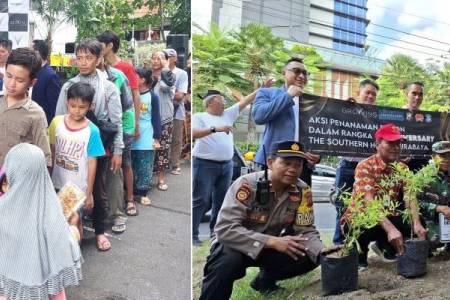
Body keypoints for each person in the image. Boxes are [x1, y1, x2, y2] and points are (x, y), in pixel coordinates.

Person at [200, 141, 322, 299]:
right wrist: (271, 241)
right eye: (286, 163)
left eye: (298, 165)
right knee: (227, 262)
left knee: (309, 253)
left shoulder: (303, 190)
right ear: (270, 163)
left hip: (269, 248)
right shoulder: (247, 185)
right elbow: (225, 229)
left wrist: (320, 250)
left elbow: (306, 229)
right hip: (235, 245)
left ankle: (264, 282)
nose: (292, 169)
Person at [55, 38, 123, 252]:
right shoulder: (68, 86)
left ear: (98, 59)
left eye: (89, 57)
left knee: (97, 189)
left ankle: (100, 230)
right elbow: (58, 116)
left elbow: (117, 120)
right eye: (80, 57)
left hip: (97, 144)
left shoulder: (109, 87)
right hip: (70, 145)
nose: (83, 62)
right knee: (66, 184)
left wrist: (118, 151)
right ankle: (72, 225)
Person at [0, 143, 82, 300]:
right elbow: (66, 247)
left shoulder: (2, 209)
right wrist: (73, 226)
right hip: (46, 292)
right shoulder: (51, 214)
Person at [341, 123, 427, 270]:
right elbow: (369, 202)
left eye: (398, 143)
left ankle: (384, 246)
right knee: (357, 223)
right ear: (377, 144)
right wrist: (391, 230)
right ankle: (360, 256)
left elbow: (410, 196)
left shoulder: (402, 168)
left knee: (418, 223)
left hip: (388, 215)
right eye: (390, 142)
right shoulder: (365, 166)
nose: (395, 147)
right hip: (364, 217)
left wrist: (417, 223)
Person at [192, 89, 259, 246]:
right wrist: (215, 128)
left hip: (226, 165)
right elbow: (194, 133)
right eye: (221, 100)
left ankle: (215, 234)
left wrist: (261, 88)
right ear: (210, 102)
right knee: (201, 199)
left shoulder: (228, 115)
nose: (224, 103)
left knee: (221, 201)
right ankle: (193, 235)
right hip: (204, 164)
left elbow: (246, 100)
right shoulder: (199, 117)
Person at [252, 57, 320, 186]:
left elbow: (320, 132)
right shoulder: (267, 93)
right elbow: (259, 116)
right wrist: (288, 95)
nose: (301, 76)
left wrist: (318, 155)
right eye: (296, 71)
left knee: (300, 205)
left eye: (305, 73)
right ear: (284, 72)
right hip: (274, 162)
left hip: (302, 165)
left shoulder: (312, 103)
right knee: (268, 204)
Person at [49, 82, 105, 237]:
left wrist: (89, 193)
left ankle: (73, 254)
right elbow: (51, 153)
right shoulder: (56, 123)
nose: (77, 111)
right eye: (73, 106)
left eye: (82, 107)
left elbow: (92, 162)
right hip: (56, 183)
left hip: (76, 188)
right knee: (58, 221)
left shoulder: (92, 131)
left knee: (73, 221)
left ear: (90, 106)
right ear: (67, 102)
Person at [97, 31, 140, 217]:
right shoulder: (95, 68)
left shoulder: (124, 68)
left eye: (101, 44)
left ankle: (130, 199)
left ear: (110, 45)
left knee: (125, 162)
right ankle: (108, 203)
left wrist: (136, 124)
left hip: (125, 121)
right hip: (104, 126)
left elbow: (134, 95)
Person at [332, 79, 379, 245]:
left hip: (368, 170)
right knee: (342, 206)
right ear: (358, 93)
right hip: (347, 167)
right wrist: (342, 108)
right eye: (367, 92)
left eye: (374, 94)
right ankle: (339, 244)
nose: (370, 96)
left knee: (365, 207)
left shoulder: (377, 117)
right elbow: (332, 123)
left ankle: (358, 247)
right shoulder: (347, 110)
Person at [0, 47, 51, 167]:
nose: (12, 84)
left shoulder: (36, 113)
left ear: (32, 82)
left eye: (20, 80)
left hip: (18, 180)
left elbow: (45, 157)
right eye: (9, 76)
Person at [132, 67, 162, 206]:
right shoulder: (130, 94)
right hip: (131, 134)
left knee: (145, 165)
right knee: (131, 164)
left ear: (142, 80)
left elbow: (156, 118)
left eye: (135, 76)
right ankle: (131, 190)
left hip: (146, 135)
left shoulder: (153, 97)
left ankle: (142, 192)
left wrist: (156, 138)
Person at [418, 141, 450, 252]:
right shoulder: (423, 176)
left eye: (449, 156)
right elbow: (413, 203)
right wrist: (437, 208)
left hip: (448, 219)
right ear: (433, 156)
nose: (446, 159)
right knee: (433, 239)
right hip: (430, 219)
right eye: (442, 156)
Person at [150, 50, 175, 191]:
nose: (155, 61)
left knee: (163, 149)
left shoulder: (169, 75)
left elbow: (166, 88)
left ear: (165, 61)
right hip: (148, 117)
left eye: (159, 58)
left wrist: (164, 70)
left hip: (164, 118)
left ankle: (161, 178)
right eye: (153, 58)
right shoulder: (146, 75)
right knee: (147, 147)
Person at [165, 48, 188, 176]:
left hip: (177, 110)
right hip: (161, 111)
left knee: (176, 139)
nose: (167, 58)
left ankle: (175, 164)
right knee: (161, 138)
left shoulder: (182, 73)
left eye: (169, 56)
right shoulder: (159, 72)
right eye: (165, 56)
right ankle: (161, 163)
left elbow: (180, 95)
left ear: (175, 58)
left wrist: (166, 93)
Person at [31, 39, 62, 124]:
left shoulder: (50, 75)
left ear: (38, 54)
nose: (27, 55)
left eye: (30, 52)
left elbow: (54, 106)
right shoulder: (34, 70)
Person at [402, 82, 429, 172]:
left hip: (422, 169)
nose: (417, 97)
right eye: (414, 93)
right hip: (401, 166)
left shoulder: (428, 118)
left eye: (420, 94)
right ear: (407, 94)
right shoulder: (396, 115)